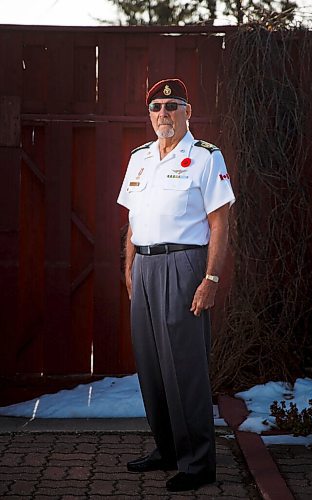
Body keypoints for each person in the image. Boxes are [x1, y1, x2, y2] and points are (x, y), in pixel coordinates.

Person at [117, 78, 235, 492]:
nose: (163, 114)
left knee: (184, 367)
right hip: (145, 267)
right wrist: (128, 267)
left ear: (188, 112)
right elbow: (132, 220)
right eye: (157, 107)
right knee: (151, 366)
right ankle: (167, 449)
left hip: (184, 265)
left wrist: (211, 278)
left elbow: (220, 221)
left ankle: (199, 462)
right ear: (149, 115)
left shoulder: (205, 157)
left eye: (172, 106)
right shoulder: (140, 158)